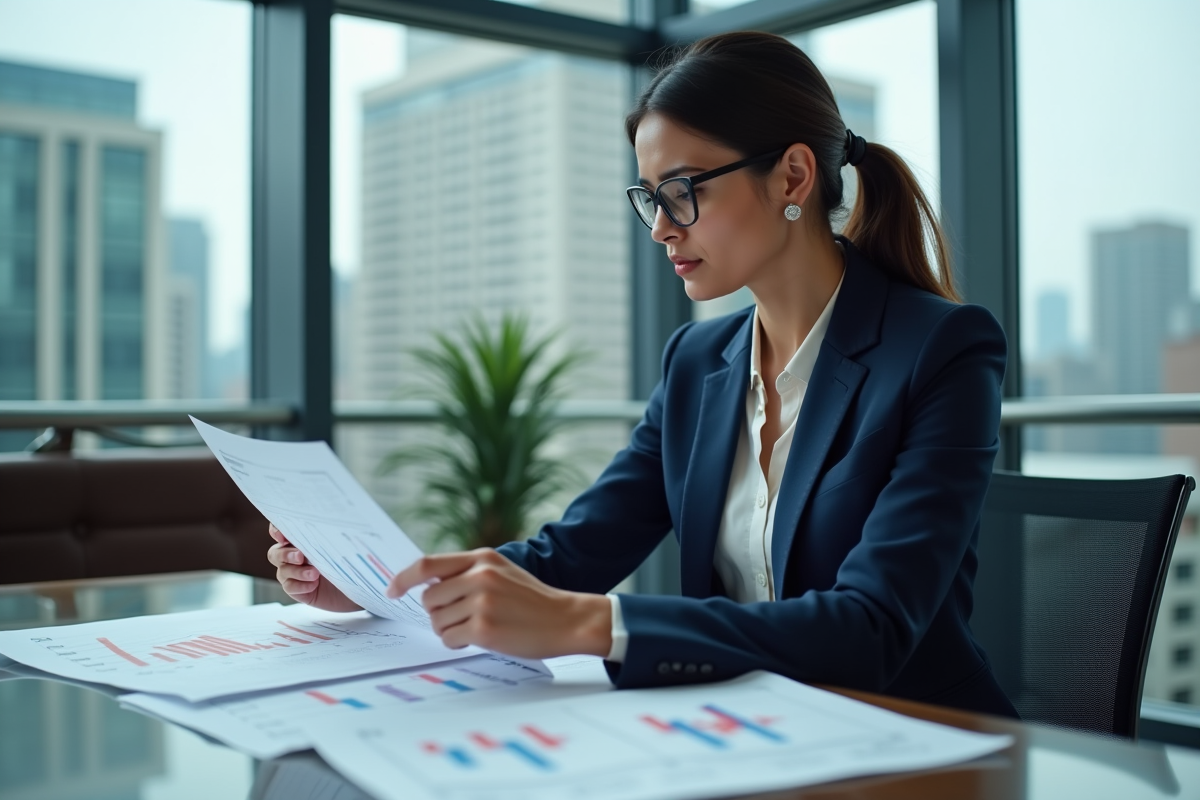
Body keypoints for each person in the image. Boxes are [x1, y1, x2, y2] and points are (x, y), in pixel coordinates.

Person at [267, 31, 1018, 718]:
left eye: (684, 190)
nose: (661, 226)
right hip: (753, 733)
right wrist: (383, 588)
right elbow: (573, 556)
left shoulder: (941, 350)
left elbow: (872, 626)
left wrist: (590, 623)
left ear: (792, 176)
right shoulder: (698, 364)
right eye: (650, 198)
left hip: (922, 741)